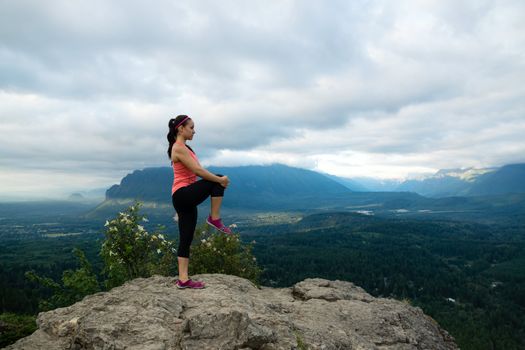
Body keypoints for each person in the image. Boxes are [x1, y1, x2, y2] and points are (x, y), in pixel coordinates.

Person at [167, 115, 232, 289]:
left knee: (186, 238)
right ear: (181, 129)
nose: (194, 131)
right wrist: (220, 180)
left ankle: (183, 279)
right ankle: (214, 218)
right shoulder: (178, 148)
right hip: (182, 194)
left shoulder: (186, 148)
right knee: (216, 179)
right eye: (191, 127)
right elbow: (197, 170)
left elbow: (195, 172)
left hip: (184, 198)